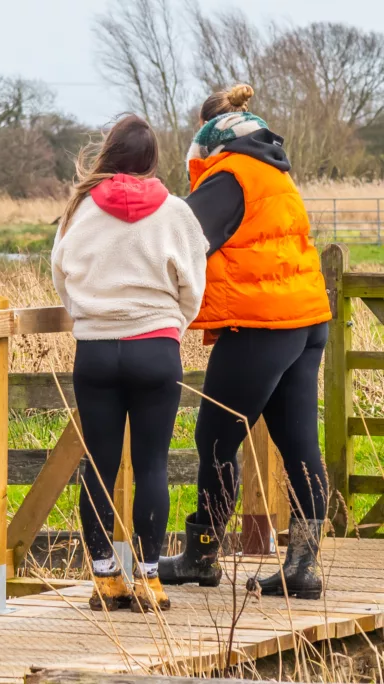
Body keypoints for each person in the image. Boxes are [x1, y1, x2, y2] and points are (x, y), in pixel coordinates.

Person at [159, 85, 332, 600]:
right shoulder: (274, 171)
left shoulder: (230, 175)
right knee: (299, 442)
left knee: (215, 437)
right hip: (306, 319)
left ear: (210, 140)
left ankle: (202, 556)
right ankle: (302, 565)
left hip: (260, 327)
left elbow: (182, 239)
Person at [52, 114, 208, 613]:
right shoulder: (178, 213)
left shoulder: (78, 210)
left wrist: (87, 316)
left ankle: (105, 579)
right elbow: (194, 288)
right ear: (152, 160)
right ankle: (149, 579)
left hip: (96, 349)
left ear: (110, 154)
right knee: (152, 464)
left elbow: (61, 275)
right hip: (156, 348)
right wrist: (171, 325)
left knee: (97, 464)